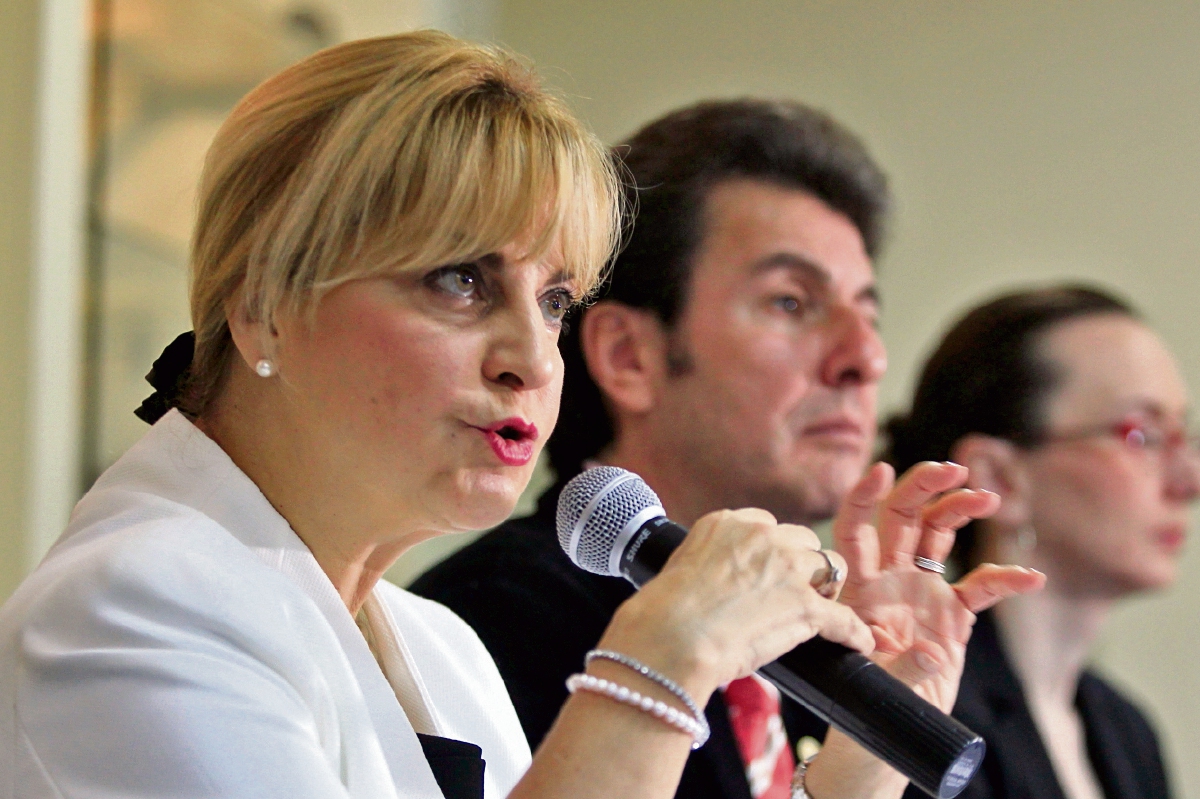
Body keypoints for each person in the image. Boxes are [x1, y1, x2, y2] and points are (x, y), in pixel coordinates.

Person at [0, 32, 1036, 799]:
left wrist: (852, 777)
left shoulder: (436, 645)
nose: (533, 358)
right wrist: (658, 663)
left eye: (552, 300)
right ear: (265, 299)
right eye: (459, 279)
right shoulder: (132, 604)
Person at [412, 99, 1042, 799]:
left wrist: (863, 762)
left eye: (869, 315)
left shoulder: (831, 649)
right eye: (791, 302)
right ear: (630, 356)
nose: (866, 357)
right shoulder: (494, 619)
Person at [885, 286, 1196, 799]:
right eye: (1142, 436)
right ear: (1000, 479)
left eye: (1184, 436)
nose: (1189, 482)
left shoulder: (1128, 730)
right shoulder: (923, 701)